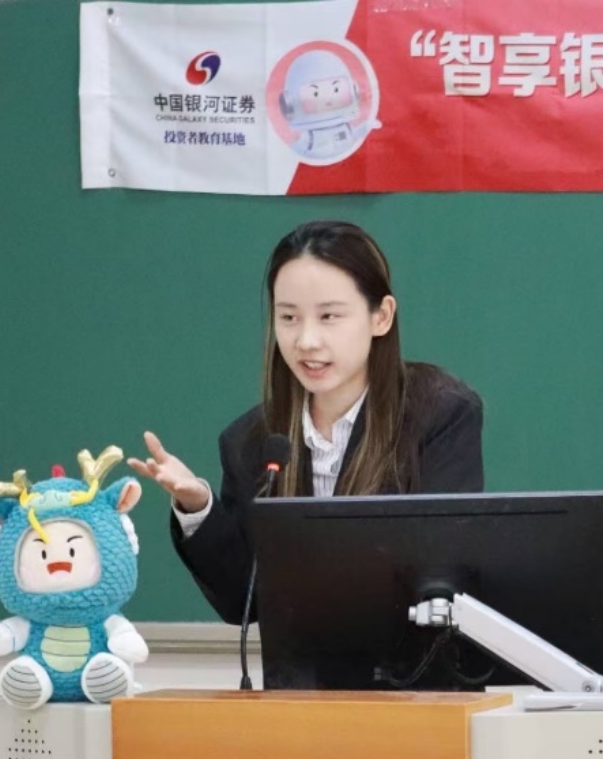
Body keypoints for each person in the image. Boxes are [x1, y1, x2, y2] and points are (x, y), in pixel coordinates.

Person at [128, 219, 484, 627]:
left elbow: (444, 573)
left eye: (329, 316)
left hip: (414, 662)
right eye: (289, 317)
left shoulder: (439, 414)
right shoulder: (251, 441)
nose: (306, 341)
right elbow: (242, 602)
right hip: (298, 666)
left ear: (381, 316)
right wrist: (198, 507)